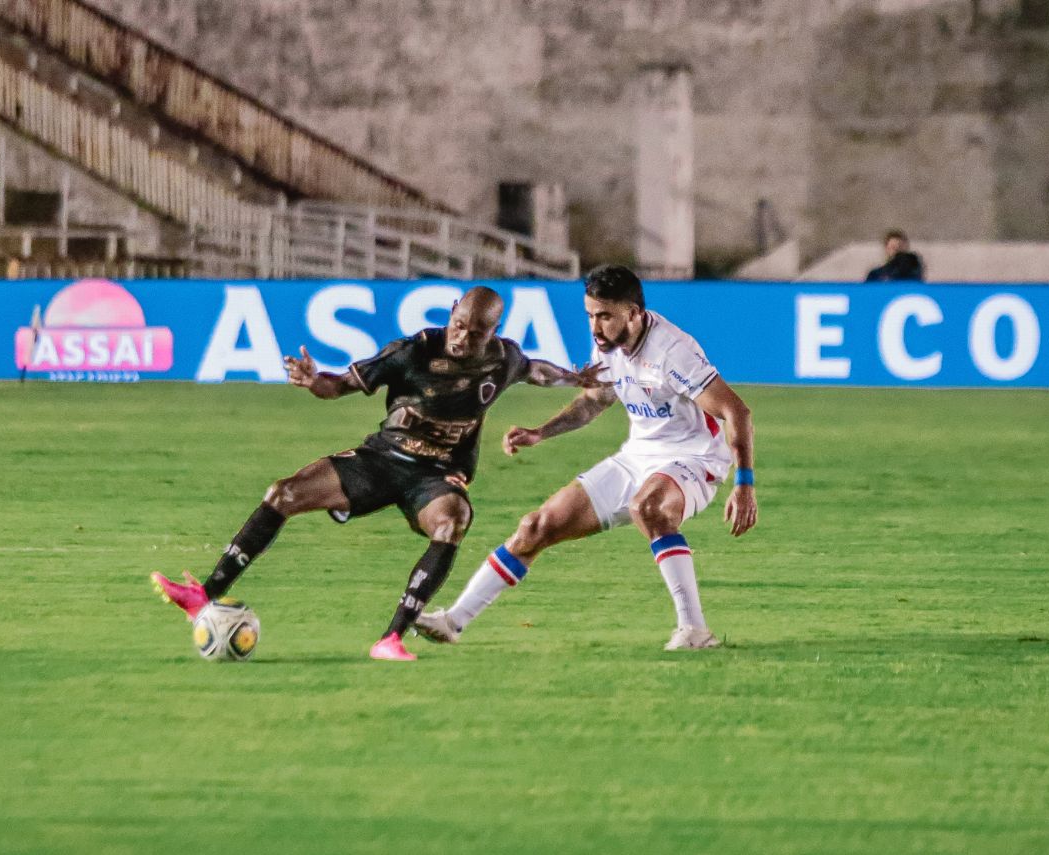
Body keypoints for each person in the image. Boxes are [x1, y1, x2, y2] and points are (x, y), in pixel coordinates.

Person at [151, 286, 607, 661]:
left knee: (452, 521)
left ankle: (391, 639)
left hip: (437, 476)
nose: (462, 337)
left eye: (475, 332)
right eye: (459, 325)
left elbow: (535, 370)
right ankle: (203, 595)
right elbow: (340, 386)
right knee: (283, 493)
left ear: (494, 332)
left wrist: (573, 378)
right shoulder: (412, 351)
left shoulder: (502, 359)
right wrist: (313, 381)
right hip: (383, 459)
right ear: (452, 312)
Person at [415, 265, 758, 651]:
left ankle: (694, 630)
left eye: (605, 316)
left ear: (633, 313)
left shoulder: (672, 352)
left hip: (694, 459)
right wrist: (540, 432)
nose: (595, 326)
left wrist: (744, 484)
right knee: (535, 527)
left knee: (648, 507)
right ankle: (453, 621)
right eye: (591, 315)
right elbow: (595, 400)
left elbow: (737, 412)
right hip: (638, 456)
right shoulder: (608, 346)